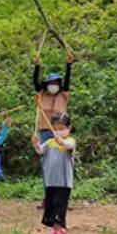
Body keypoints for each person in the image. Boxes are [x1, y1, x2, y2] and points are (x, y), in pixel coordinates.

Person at [34, 53, 73, 208]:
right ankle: (48, 198)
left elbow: (68, 82)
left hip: (61, 133)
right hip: (45, 132)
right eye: (51, 82)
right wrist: (37, 67)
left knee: (64, 164)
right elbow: (35, 84)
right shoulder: (41, 94)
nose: (53, 84)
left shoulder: (64, 94)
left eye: (56, 82)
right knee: (46, 165)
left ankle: (63, 198)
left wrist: (69, 65)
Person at [32, 113, 75, 234]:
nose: (58, 131)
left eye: (61, 128)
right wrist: (36, 144)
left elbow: (69, 146)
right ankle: (57, 231)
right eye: (55, 129)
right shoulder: (49, 142)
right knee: (50, 207)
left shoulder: (70, 141)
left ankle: (58, 232)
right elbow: (40, 151)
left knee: (59, 207)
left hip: (63, 182)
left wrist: (62, 141)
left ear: (69, 128)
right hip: (50, 182)